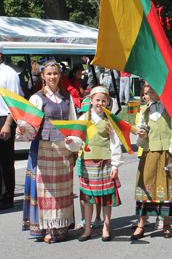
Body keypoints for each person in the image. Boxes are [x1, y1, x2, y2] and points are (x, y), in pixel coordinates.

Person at [18, 60, 80, 243]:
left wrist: (74, 145)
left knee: (62, 188)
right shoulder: (37, 98)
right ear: (43, 76)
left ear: (60, 75)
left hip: (63, 147)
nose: (53, 77)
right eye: (49, 74)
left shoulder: (66, 98)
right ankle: (46, 228)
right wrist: (23, 128)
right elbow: (30, 123)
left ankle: (61, 225)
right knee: (46, 190)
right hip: (44, 147)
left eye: (55, 73)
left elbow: (72, 123)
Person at [132, 81, 172, 240]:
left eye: (152, 85)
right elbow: (141, 131)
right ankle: (141, 224)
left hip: (167, 153)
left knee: (167, 187)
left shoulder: (171, 108)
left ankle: (166, 223)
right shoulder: (144, 110)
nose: (149, 89)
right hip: (150, 153)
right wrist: (142, 134)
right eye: (146, 86)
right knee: (146, 187)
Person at [73, 86, 124, 242]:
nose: (100, 103)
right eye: (97, 100)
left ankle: (106, 227)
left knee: (106, 198)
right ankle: (87, 229)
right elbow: (77, 138)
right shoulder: (83, 119)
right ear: (91, 100)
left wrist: (115, 165)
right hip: (88, 163)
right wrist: (71, 141)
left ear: (107, 102)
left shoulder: (109, 120)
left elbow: (115, 144)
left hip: (105, 162)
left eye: (103, 100)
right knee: (88, 199)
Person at [0, 43, 22, 210]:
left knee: (5, 159)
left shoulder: (9, 73)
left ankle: (7, 197)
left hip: (4, 118)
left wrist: (8, 124)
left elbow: (13, 101)